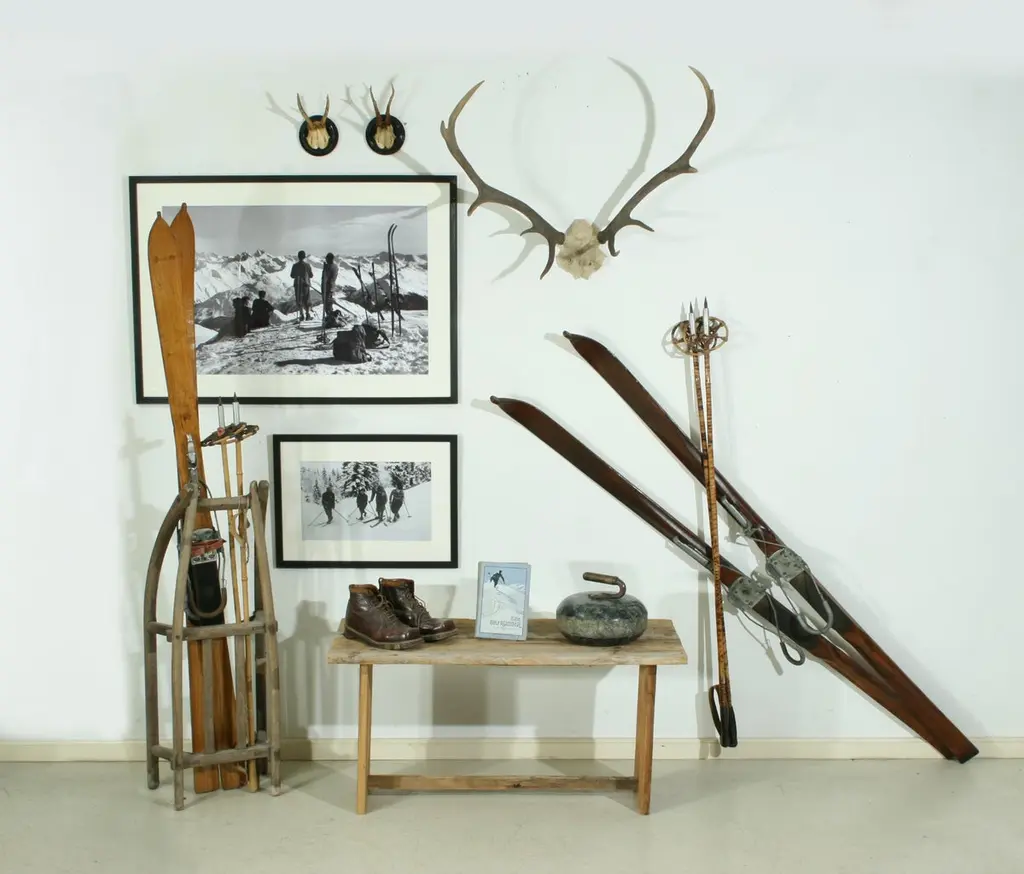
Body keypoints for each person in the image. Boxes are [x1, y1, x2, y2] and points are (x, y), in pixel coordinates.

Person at [290, 250, 313, 321]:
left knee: (299, 299)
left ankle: (301, 314)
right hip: (306, 284)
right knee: (306, 299)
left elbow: (292, 275)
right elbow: (311, 275)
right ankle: (307, 314)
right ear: (304, 257)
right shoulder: (307, 265)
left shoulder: (295, 266)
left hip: (297, 284)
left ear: (298, 257)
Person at [321, 252, 339, 317]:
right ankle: (331, 317)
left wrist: (325, 268)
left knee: (327, 305)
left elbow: (325, 277)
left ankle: (331, 317)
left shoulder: (329, 267)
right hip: (332, 287)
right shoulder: (335, 266)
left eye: (326, 258)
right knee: (329, 304)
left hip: (327, 287)